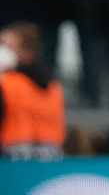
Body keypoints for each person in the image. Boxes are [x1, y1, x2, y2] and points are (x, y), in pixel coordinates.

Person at [0, 21, 64, 160]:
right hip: (51, 156)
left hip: (11, 158)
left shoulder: (6, 83)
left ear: (26, 52)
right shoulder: (53, 84)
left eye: (7, 46)